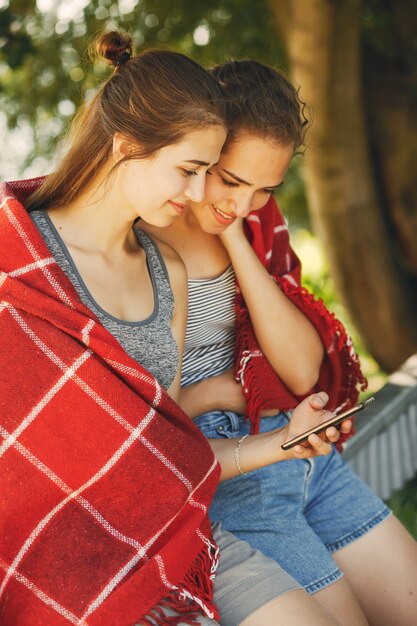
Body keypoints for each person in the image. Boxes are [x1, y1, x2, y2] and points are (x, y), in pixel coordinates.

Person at [0, 31, 347, 626]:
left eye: (208, 173)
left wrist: (281, 440)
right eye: (190, 171)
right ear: (127, 145)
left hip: (172, 536)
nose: (197, 194)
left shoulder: (170, 273)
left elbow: (165, 457)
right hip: (61, 554)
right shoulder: (25, 264)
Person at [140, 59, 417, 625]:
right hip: (236, 472)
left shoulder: (251, 222)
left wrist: (236, 235)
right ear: (201, 146)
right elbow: (145, 421)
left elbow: (299, 372)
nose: (243, 203)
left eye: (265, 188)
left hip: (302, 451)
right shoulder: (142, 239)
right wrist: (222, 391)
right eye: (232, 181)